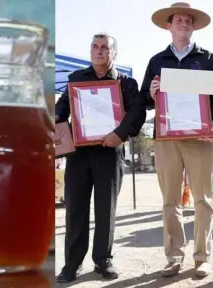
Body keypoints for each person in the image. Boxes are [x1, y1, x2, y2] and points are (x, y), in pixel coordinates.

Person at [141, 2, 213, 278]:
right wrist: (152, 93)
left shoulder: (209, 58)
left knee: (204, 199)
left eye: (188, 20)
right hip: (166, 138)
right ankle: (174, 256)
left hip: (200, 138)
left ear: (193, 26)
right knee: (170, 201)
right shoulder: (156, 60)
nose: (183, 24)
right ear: (169, 25)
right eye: (178, 20)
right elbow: (143, 100)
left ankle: (202, 257)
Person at [54, 33, 147, 283]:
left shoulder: (126, 83)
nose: (99, 51)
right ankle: (72, 264)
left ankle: (103, 260)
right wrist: (58, 127)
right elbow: (61, 107)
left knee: (106, 209)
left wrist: (120, 133)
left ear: (113, 53)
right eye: (95, 46)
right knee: (75, 209)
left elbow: (137, 112)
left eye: (105, 47)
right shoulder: (76, 79)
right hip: (79, 153)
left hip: (110, 152)